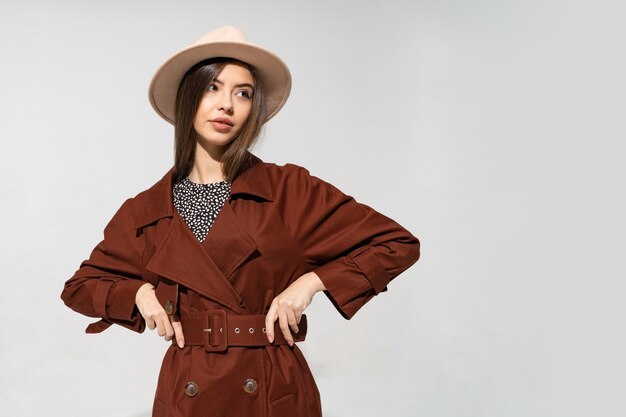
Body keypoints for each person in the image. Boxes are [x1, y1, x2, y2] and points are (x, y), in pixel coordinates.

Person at [60, 26, 420, 417]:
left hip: (270, 389)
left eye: (243, 93)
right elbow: (80, 287)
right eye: (213, 87)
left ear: (253, 108)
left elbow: (396, 244)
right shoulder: (147, 210)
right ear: (187, 98)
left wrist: (310, 283)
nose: (227, 105)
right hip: (188, 392)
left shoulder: (287, 190)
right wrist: (138, 293)